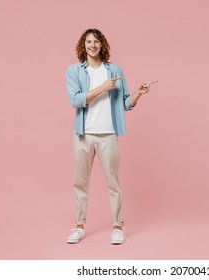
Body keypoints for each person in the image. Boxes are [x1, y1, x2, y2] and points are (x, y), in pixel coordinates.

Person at [65, 28, 152, 245]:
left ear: (102, 45)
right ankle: (79, 226)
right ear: (83, 45)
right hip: (83, 135)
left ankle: (117, 227)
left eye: (96, 41)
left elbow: (125, 104)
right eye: (88, 41)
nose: (92, 45)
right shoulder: (74, 71)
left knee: (113, 183)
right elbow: (75, 100)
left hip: (108, 135)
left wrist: (137, 94)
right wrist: (103, 88)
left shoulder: (114, 70)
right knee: (80, 182)